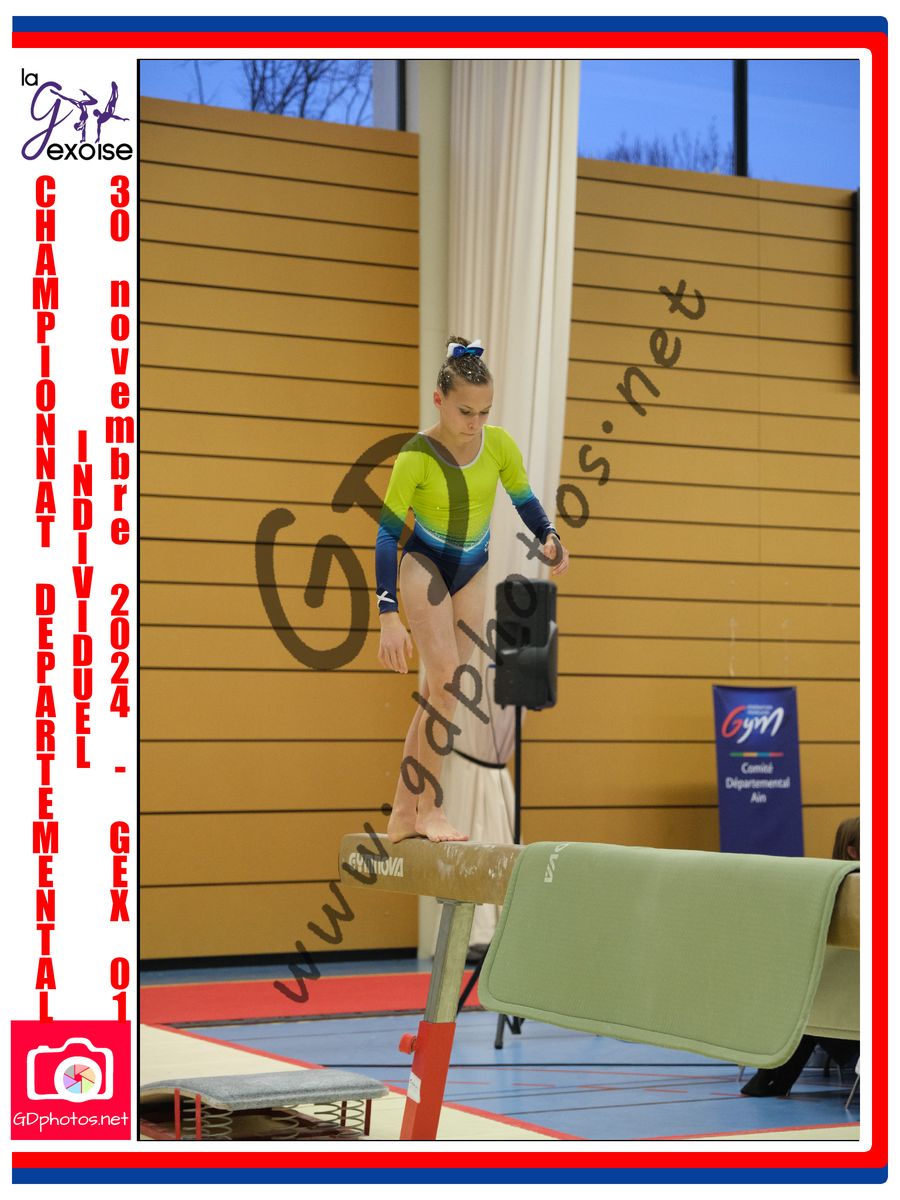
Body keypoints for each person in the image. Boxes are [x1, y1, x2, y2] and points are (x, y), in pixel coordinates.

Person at [375, 336, 568, 843]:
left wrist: (548, 534)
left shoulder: (498, 445)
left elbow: (524, 499)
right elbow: (387, 535)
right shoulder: (415, 456)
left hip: (473, 568)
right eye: (465, 412)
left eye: (484, 412)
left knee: (443, 691)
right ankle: (430, 809)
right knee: (444, 680)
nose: (475, 423)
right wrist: (388, 616)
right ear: (439, 400)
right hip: (423, 565)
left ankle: (403, 810)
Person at [740, 816, 860, 1097]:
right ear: (853, 851)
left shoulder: (827, 884)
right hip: (841, 1014)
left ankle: (772, 1078)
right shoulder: (835, 888)